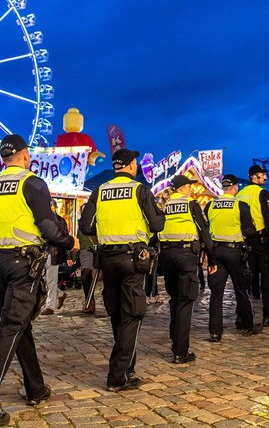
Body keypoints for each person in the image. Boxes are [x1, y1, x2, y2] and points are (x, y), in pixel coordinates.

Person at [0, 134, 77, 428]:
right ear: (26, 155)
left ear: (3, 158)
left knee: (18, 324)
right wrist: (70, 241)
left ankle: (35, 388)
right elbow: (49, 228)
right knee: (11, 329)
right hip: (26, 265)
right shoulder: (33, 183)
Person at [79, 148, 165, 392]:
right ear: (130, 166)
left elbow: (86, 226)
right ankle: (117, 375)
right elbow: (157, 224)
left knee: (117, 313)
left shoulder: (100, 191)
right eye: (135, 163)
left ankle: (128, 366)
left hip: (107, 258)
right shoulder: (139, 190)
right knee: (133, 314)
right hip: (132, 258)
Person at [158, 174, 216, 364]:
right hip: (185, 256)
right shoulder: (191, 204)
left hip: (166, 256)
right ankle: (180, 352)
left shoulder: (164, 204)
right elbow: (203, 231)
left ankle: (175, 342)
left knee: (175, 300)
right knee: (185, 301)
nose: (192, 189)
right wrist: (212, 258)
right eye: (189, 186)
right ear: (182, 188)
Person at [205, 174, 260, 341]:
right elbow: (249, 230)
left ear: (223, 187)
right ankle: (248, 325)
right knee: (241, 290)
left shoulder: (210, 205)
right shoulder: (240, 205)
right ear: (235, 188)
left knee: (216, 294)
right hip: (235, 252)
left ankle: (215, 332)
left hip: (216, 252)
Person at [236, 165, 269, 327]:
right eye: (262, 175)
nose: (265, 178)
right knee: (266, 280)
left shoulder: (239, 194)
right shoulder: (262, 193)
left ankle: (241, 316)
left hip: (245, 242)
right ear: (254, 177)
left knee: (245, 281)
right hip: (262, 243)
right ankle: (267, 315)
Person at [41, 200, 70, 315]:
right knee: (44, 280)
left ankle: (50, 305)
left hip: (54, 252)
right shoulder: (44, 219)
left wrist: (68, 255)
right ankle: (60, 294)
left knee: (51, 279)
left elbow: (64, 238)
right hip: (44, 252)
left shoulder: (59, 220)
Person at [74, 206, 97, 314]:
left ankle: (89, 302)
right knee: (86, 277)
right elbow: (78, 239)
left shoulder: (95, 222)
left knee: (85, 276)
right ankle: (89, 301)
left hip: (91, 251)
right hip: (84, 252)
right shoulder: (81, 224)